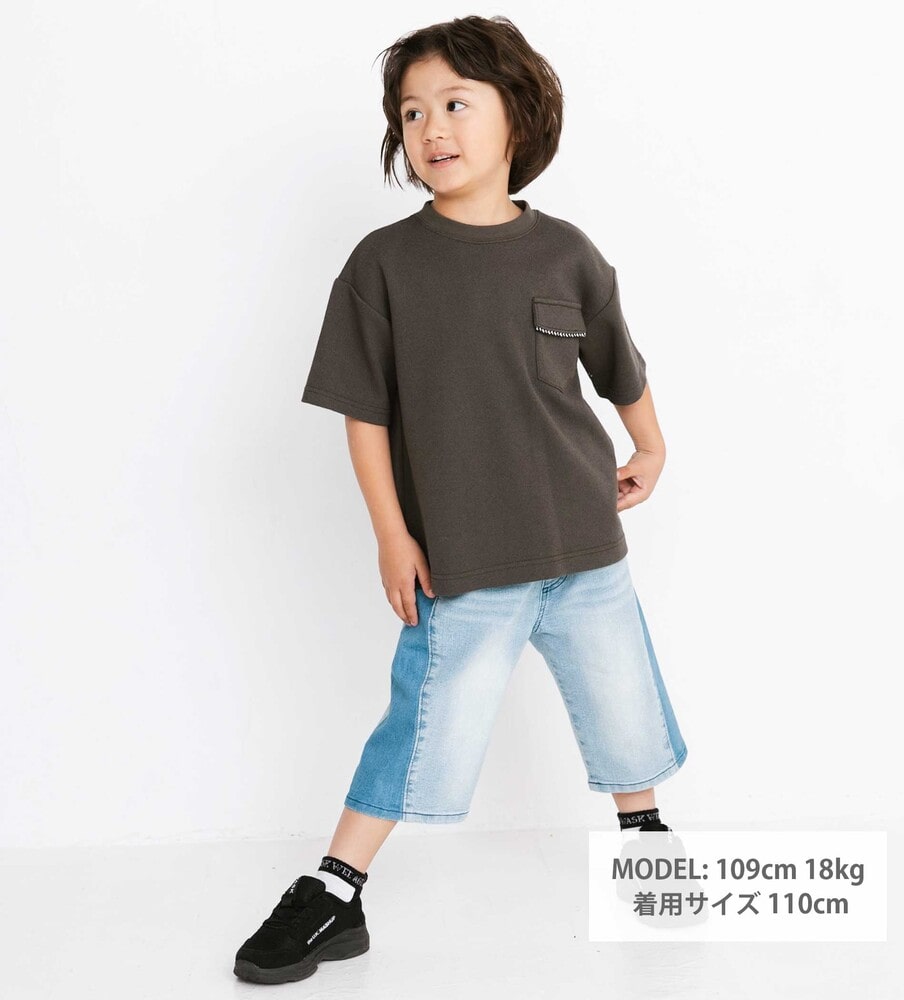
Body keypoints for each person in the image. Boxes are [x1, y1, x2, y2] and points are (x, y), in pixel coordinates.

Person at [234, 14, 689, 985]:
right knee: (424, 720)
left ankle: (644, 839)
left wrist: (649, 445)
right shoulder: (384, 265)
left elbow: (619, 365)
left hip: (584, 542)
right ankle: (334, 890)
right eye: (410, 112)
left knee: (623, 702)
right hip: (466, 558)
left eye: (454, 103)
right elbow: (363, 413)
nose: (430, 127)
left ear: (517, 116)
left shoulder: (566, 252)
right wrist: (391, 534)